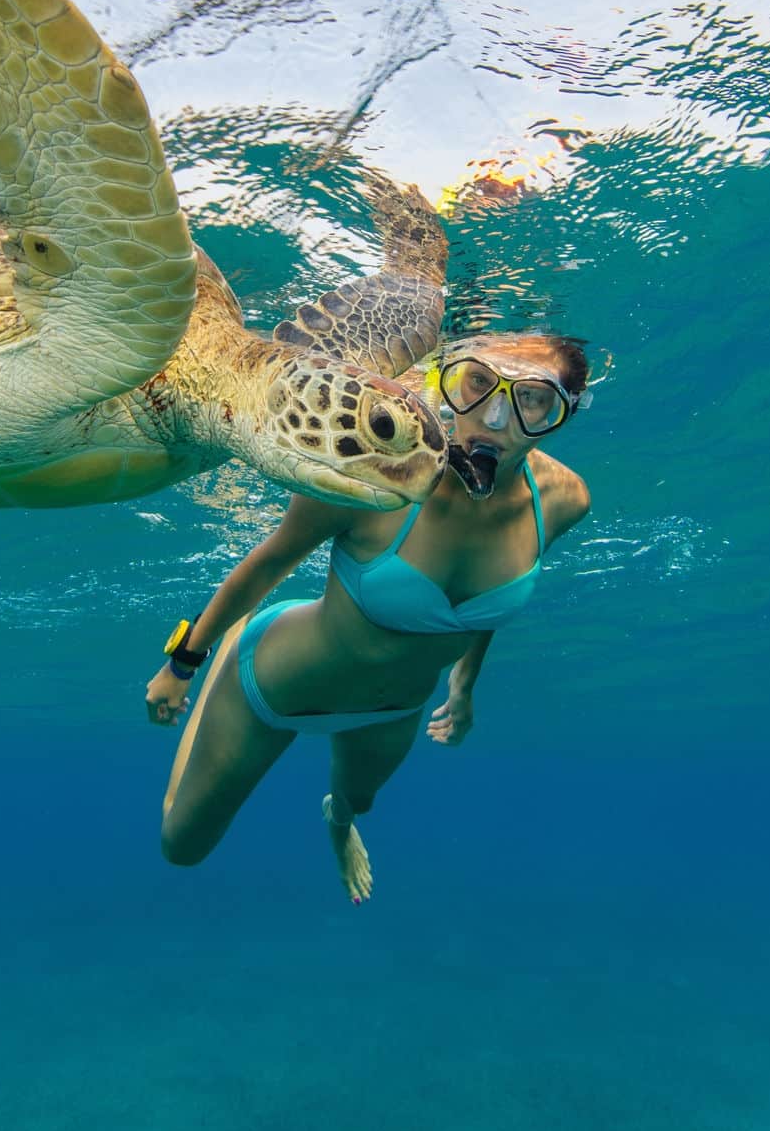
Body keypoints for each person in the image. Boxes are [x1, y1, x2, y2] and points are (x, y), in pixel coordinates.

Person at [144, 332, 593, 903]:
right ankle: (236, 641)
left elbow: (487, 605)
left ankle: (338, 824)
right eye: (478, 384)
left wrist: (464, 685)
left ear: (562, 414)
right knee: (181, 847)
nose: (495, 417)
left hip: (395, 711)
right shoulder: (374, 466)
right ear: (449, 383)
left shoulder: (563, 501)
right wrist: (182, 666)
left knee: (358, 804)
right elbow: (268, 563)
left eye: (532, 400)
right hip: (275, 685)